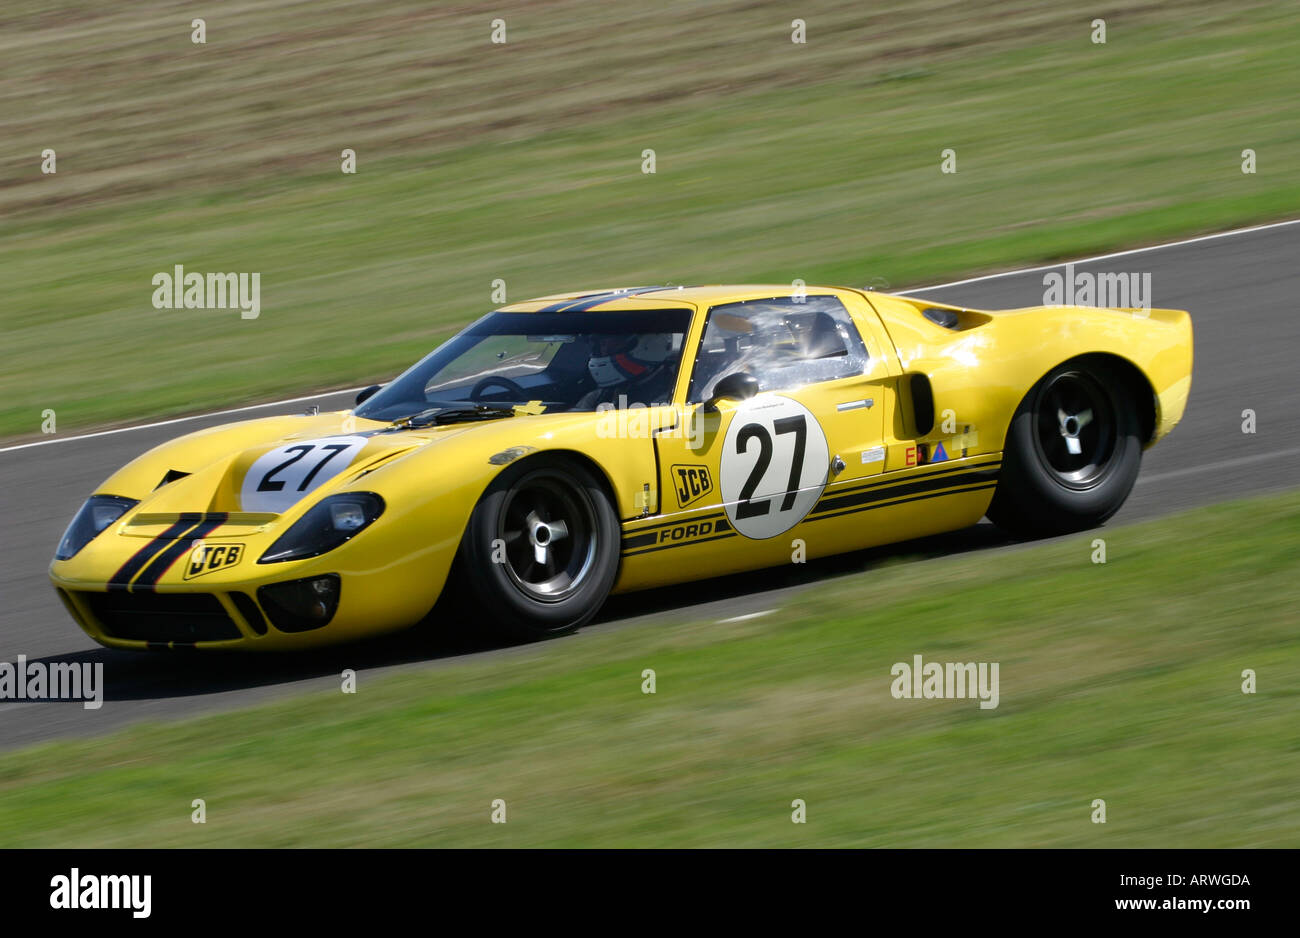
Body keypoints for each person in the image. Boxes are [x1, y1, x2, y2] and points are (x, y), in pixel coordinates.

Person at [576, 333, 676, 409]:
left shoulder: (672, 396)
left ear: (648, 346)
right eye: (602, 344)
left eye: (615, 344)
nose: (605, 351)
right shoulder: (598, 397)